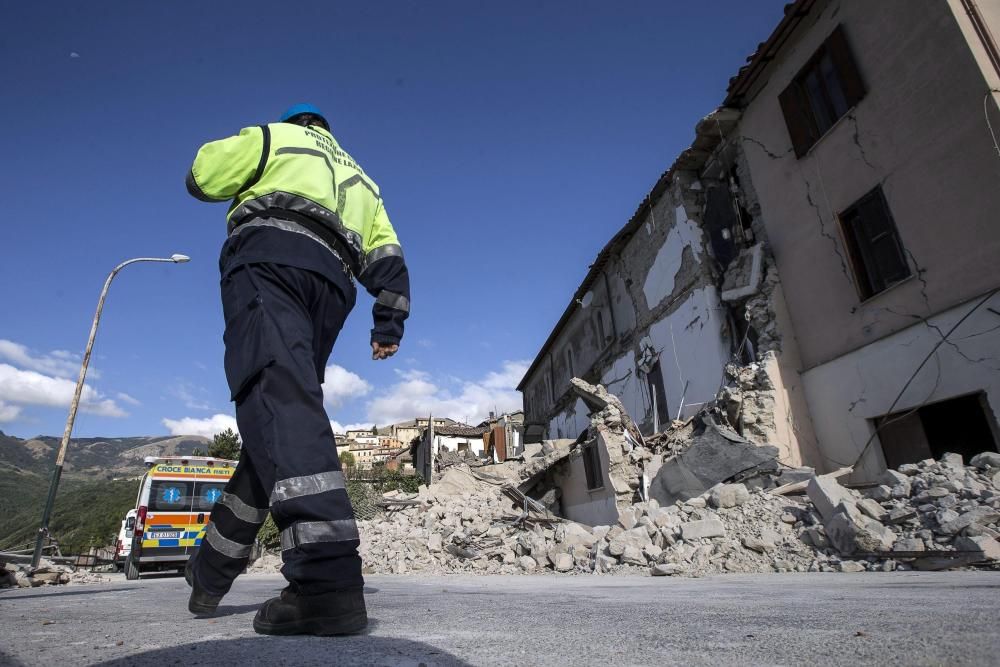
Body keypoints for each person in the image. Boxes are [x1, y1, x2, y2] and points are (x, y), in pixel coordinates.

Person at [183, 103, 410, 636]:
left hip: (270, 260)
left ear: (297, 124)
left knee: (280, 406)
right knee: (279, 418)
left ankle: (326, 583)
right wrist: (387, 327)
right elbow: (390, 261)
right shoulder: (362, 180)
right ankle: (210, 571)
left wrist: (246, 146)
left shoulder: (274, 138)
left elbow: (201, 177)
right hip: (332, 287)